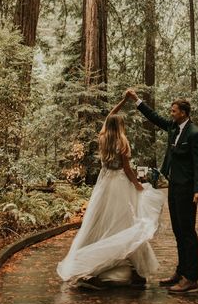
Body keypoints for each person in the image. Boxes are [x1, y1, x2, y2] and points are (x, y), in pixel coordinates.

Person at [56, 95, 165, 290]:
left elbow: (109, 117)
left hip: (104, 184)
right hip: (119, 185)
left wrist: (123, 101)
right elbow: (127, 169)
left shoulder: (102, 138)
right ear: (121, 126)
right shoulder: (122, 142)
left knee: (100, 221)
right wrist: (138, 185)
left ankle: (97, 266)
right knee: (124, 223)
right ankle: (133, 269)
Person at [125, 88, 198, 294]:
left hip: (188, 188)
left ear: (184, 113)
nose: (171, 114)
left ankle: (191, 278)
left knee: (187, 232)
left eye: (174, 111)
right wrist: (137, 100)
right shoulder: (173, 127)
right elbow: (154, 117)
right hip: (174, 186)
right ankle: (180, 272)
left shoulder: (195, 134)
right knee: (178, 231)